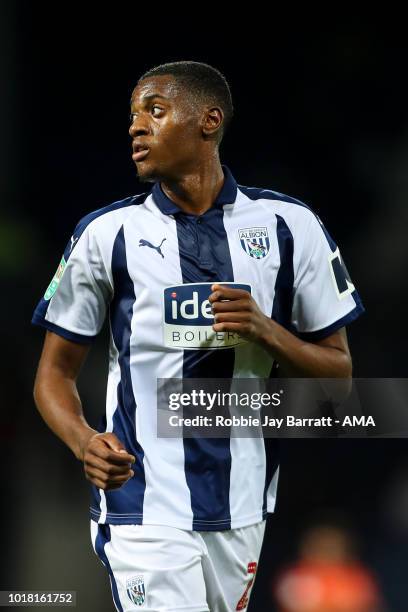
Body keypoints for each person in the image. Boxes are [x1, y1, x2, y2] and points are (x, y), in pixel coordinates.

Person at [32, 61, 364, 611]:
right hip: (142, 506)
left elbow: (340, 378)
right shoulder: (104, 234)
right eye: (133, 115)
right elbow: (54, 373)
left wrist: (265, 330)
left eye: (155, 111)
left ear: (208, 121)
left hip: (243, 505)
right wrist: (84, 440)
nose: (136, 126)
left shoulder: (289, 226)